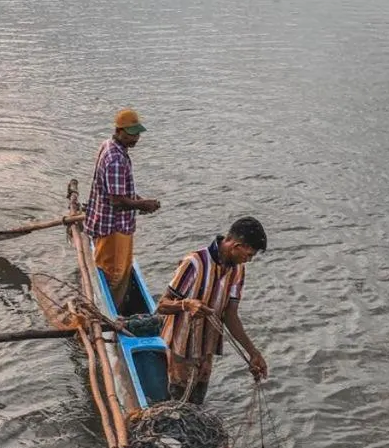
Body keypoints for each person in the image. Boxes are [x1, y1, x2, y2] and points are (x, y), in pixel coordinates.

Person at [156, 217, 269, 404]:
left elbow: (230, 316)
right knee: (180, 402)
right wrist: (186, 305)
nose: (248, 260)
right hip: (181, 346)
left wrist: (253, 353)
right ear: (236, 246)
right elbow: (162, 304)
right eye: (248, 255)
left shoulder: (237, 271)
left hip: (206, 347)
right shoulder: (194, 263)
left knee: (197, 401)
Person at [84, 108, 161, 309]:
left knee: (115, 269)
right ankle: (111, 316)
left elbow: (119, 190)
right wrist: (142, 205)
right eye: (131, 133)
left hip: (107, 222)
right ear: (119, 131)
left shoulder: (109, 146)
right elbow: (117, 200)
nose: (136, 138)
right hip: (114, 227)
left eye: (137, 133)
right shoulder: (116, 159)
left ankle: (111, 306)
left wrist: (138, 200)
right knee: (115, 275)